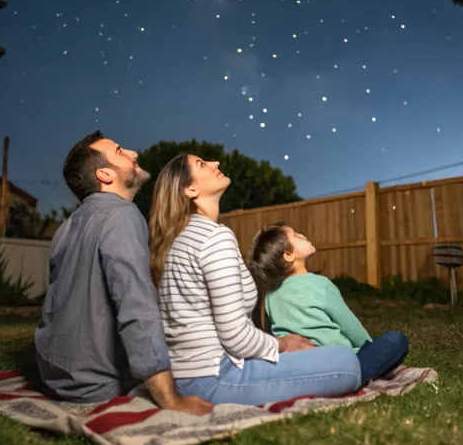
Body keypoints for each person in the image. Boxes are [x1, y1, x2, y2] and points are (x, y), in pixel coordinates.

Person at [149, 154, 362, 406]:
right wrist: (282, 344)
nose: (216, 163)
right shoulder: (214, 238)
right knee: (346, 363)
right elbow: (235, 336)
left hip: (187, 376)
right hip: (215, 378)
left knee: (324, 356)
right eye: (203, 165)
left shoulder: (182, 237)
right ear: (190, 189)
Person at [34, 131, 211, 415]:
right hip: (99, 384)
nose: (133, 153)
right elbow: (136, 305)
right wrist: (171, 400)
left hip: (59, 379)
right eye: (120, 151)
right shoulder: (122, 215)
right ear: (105, 174)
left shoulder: (66, 227)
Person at [249, 222, 409, 388]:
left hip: (297, 367)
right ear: (288, 255)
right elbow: (350, 325)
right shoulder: (320, 284)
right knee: (396, 340)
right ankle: (355, 378)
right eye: (296, 236)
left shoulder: (271, 295)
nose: (302, 235)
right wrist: (369, 348)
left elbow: (271, 331)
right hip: (340, 364)